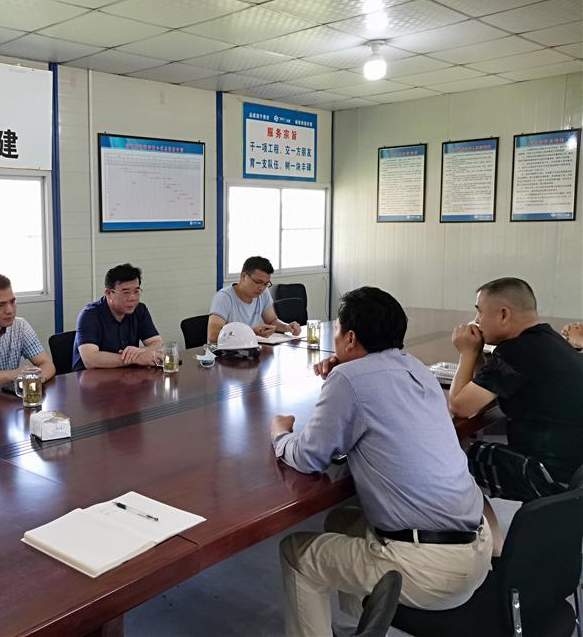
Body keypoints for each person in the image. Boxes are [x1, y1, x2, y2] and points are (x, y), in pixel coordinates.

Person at [270, 287, 491, 637]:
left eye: (338, 330)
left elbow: (308, 457)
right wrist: (347, 369)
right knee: (341, 520)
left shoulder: (348, 379)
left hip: (432, 569)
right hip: (476, 548)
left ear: (350, 338)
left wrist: (280, 434)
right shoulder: (416, 368)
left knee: (297, 554)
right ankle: (356, 628)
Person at [449, 277, 583, 502]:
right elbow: (483, 391)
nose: (477, 321)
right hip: (574, 472)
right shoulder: (547, 340)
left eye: (479, 312)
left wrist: (467, 353)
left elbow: (461, 406)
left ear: (503, 314)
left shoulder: (517, 350)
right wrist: (478, 353)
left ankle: (480, 525)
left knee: (448, 457)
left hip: (549, 476)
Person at [72, 263, 163, 371]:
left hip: (126, 375)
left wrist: (140, 352)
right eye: (126, 292)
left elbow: (157, 343)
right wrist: (135, 358)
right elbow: (90, 360)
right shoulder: (89, 315)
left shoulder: (139, 309)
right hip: (90, 378)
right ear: (109, 293)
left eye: (136, 291)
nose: (133, 298)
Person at [207, 256, 300, 344]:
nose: (261, 288)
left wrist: (286, 327)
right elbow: (213, 335)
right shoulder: (224, 297)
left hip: (249, 348)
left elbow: (272, 321)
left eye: (266, 284)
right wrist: (252, 332)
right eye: (258, 282)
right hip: (224, 352)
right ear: (244, 276)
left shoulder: (263, 293)